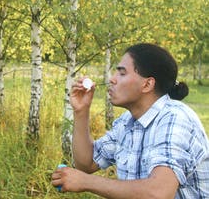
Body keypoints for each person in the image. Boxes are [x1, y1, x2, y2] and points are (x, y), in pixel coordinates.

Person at [52, 43, 209, 198]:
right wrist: (81, 111)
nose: (112, 79)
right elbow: (86, 164)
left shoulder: (175, 119)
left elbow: (159, 193)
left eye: (122, 73)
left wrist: (86, 182)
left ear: (147, 84)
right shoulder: (127, 122)